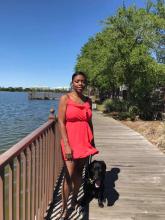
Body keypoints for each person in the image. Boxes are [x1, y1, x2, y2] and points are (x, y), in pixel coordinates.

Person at [58, 71, 99, 219]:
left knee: (79, 173)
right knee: (68, 175)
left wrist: (92, 141)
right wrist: (67, 145)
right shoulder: (65, 98)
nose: (80, 84)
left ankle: (74, 199)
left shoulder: (88, 100)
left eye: (82, 81)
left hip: (84, 141)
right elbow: (61, 122)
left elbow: (89, 122)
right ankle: (64, 209)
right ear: (72, 82)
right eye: (77, 81)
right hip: (70, 140)